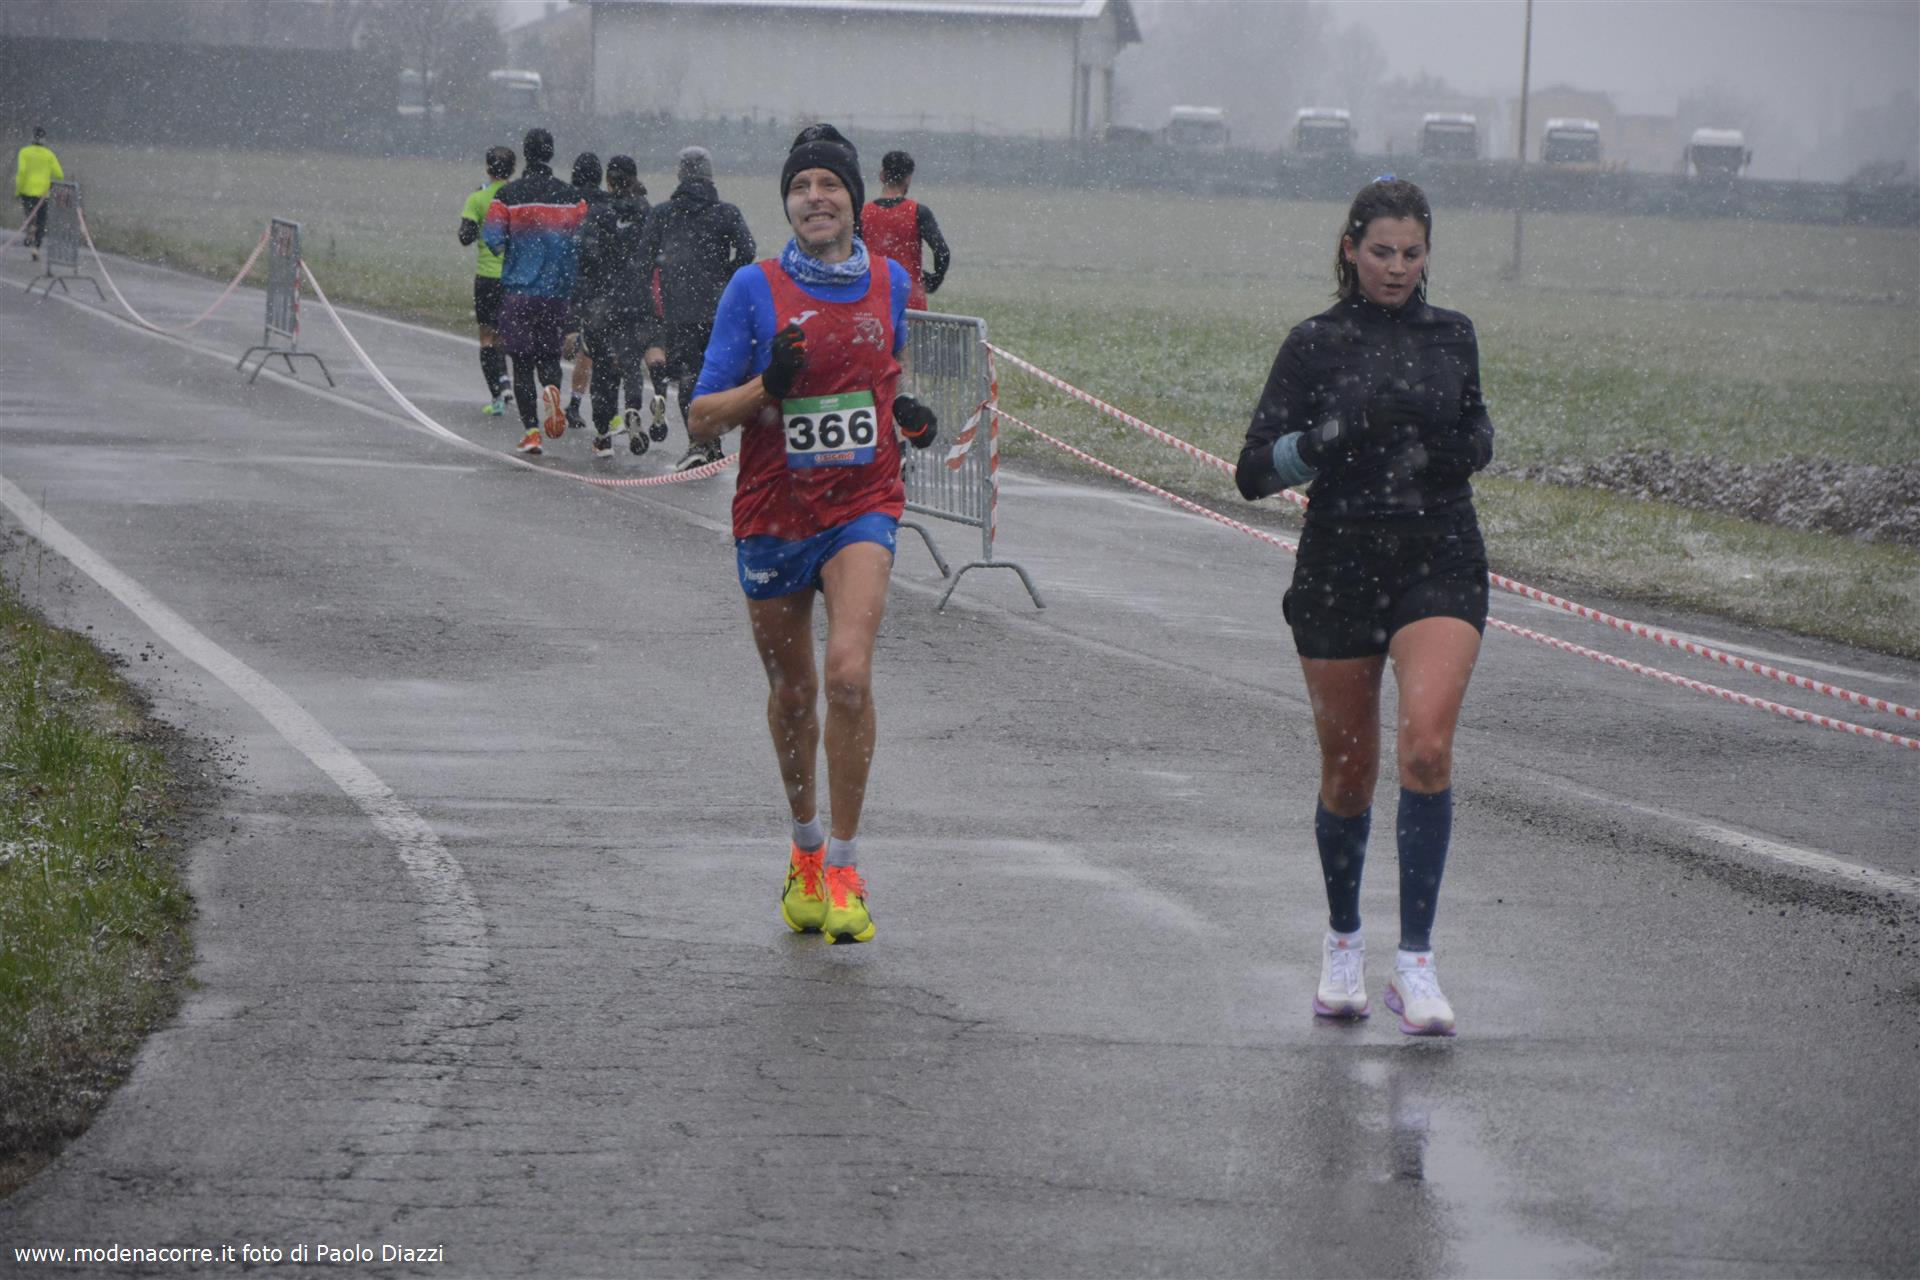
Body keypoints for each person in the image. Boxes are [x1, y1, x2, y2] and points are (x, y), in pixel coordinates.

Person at [1234, 177, 1494, 1037]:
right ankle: (1343, 942)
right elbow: (1252, 472)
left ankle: (1415, 965)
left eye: (1412, 254)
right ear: (1350, 250)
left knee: (1426, 750)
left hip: (1438, 556)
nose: (1397, 268)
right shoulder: (1314, 344)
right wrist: (1328, 440)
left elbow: (1478, 431)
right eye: (1381, 251)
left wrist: (1455, 448)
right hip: (1340, 563)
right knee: (1349, 773)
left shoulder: (1452, 334)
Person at [685, 124, 940, 944]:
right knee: (794, 695)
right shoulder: (752, 289)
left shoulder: (892, 284)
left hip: (863, 503)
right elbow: (701, 417)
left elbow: (886, 377)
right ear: (787, 204)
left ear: (855, 201)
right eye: (801, 187)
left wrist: (906, 413)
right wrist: (769, 385)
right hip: (773, 511)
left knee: (849, 677)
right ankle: (804, 851)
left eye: (830, 185)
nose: (815, 198)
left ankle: (845, 869)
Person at [639, 145, 756, 471]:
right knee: (717, 373)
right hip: (720, 308)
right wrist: (726, 277)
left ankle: (699, 444)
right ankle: (717, 443)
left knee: (689, 376)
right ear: (710, 176)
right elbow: (748, 250)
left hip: (679, 309)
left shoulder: (663, 214)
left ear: (680, 175)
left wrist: (656, 295)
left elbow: (644, 259)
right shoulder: (726, 213)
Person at [483, 128, 585, 456]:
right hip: (557, 293)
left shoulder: (508, 195)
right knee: (550, 356)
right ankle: (552, 388)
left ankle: (531, 432)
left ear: (525, 155)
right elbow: (582, 240)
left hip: (519, 292)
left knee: (522, 363)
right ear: (551, 153)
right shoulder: (572, 197)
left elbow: (493, 240)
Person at [568, 154, 657, 460]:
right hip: (636, 299)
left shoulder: (598, 213)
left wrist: (579, 305)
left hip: (602, 303)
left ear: (608, 181)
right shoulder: (647, 212)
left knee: (603, 369)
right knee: (630, 362)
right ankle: (632, 407)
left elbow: (584, 257)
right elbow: (655, 256)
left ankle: (603, 434)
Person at [457, 145, 515, 417]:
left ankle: (497, 396)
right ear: (513, 170)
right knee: (507, 334)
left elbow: (465, 237)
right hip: (515, 277)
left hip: (487, 277)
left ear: (488, 168)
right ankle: (507, 381)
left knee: (487, 336)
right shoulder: (517, 198)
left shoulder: (478, 198)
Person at [859, 150, 950, 311]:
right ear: (908, 178)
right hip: (910, 303)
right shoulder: (918, 212)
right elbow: (942, 252)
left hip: (872, 303)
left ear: (882, 176)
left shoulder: (863, 214)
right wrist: (935, 280)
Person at [561, 151, 610, 434]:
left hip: (566, 276)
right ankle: (575, 403)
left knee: (559, 336)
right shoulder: (607, 203)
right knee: (588, 348)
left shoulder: (565, 199)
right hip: (598, 281)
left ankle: (549, 387)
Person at [15, 126, 64, 263]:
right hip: (43, 194)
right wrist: (50, 183)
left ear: (32, 137)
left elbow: (21, 172)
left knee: (30, 215)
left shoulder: (24, 152)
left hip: (27, 191)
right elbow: (60, 174)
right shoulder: (49, 155)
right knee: (42, 221)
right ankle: (36, 249)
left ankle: (30, 228)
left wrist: (18, 190)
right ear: (44, 139)